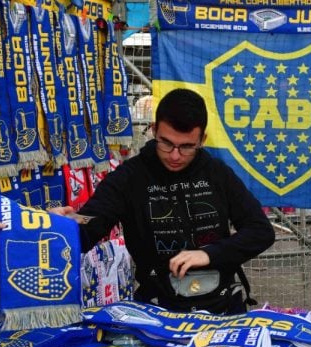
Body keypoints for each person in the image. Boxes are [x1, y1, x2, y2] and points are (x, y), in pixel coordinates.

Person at [51, 89, 275, 314]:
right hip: (160, 311)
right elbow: (90, 224)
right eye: (166, 143)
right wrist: (56, 225)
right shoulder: (129, 177)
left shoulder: (217, 173)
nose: (175, 155)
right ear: (154, 130)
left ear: (202, 140)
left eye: (187, 147)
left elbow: (261, 230)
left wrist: (210, 253)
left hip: (223, 307)